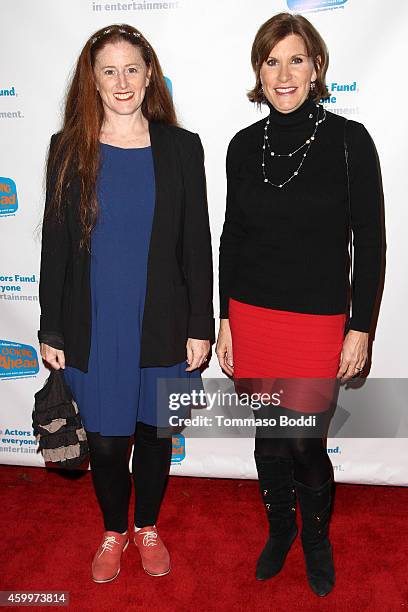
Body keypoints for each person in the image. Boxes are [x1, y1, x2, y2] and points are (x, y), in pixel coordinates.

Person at [38, 23, 214, 583]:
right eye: (108, 70)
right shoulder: (69, 147)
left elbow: (196, 240)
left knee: (156, 436)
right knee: (110, 445)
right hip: (96, 324)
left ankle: (148, 527)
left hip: (163, 321)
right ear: (92, 81)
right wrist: (51, 327)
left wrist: (200, 323)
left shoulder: (182, 148)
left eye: (132, 69)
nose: (121, 81)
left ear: (149, 75)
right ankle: (114, 530)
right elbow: (56, 245)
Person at [216, 13, 384, 597]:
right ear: (258, 72)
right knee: (269, 432)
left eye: (295, 59)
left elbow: (372, 240)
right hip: (253, 315)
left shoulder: (349, 140)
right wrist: (225, 319)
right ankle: (280, 530)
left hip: (316, 322)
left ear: (316, 67)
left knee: (304, 439)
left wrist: (360, 327)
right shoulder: (242, 146)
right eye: (270, 60)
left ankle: (315, 537)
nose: (282, 73)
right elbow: (231, 236)